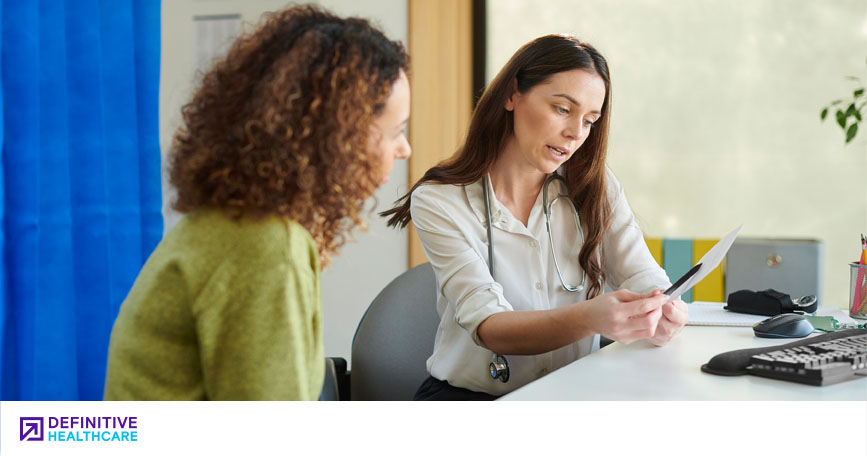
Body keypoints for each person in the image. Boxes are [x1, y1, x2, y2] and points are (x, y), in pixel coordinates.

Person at [104, 5, 411, 400]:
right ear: (339, 134)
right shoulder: (266, 245)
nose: (404, 149)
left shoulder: (226, 224)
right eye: (395, 131)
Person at [382, 34, 686, 400]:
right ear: (512, 94)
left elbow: (642, 276)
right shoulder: (439, 200)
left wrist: (664, 309)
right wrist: (592, 317)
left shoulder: (595, 186)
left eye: (590, 120)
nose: (575, 133)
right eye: (562, 109)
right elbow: (490, 326)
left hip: (572, 396)